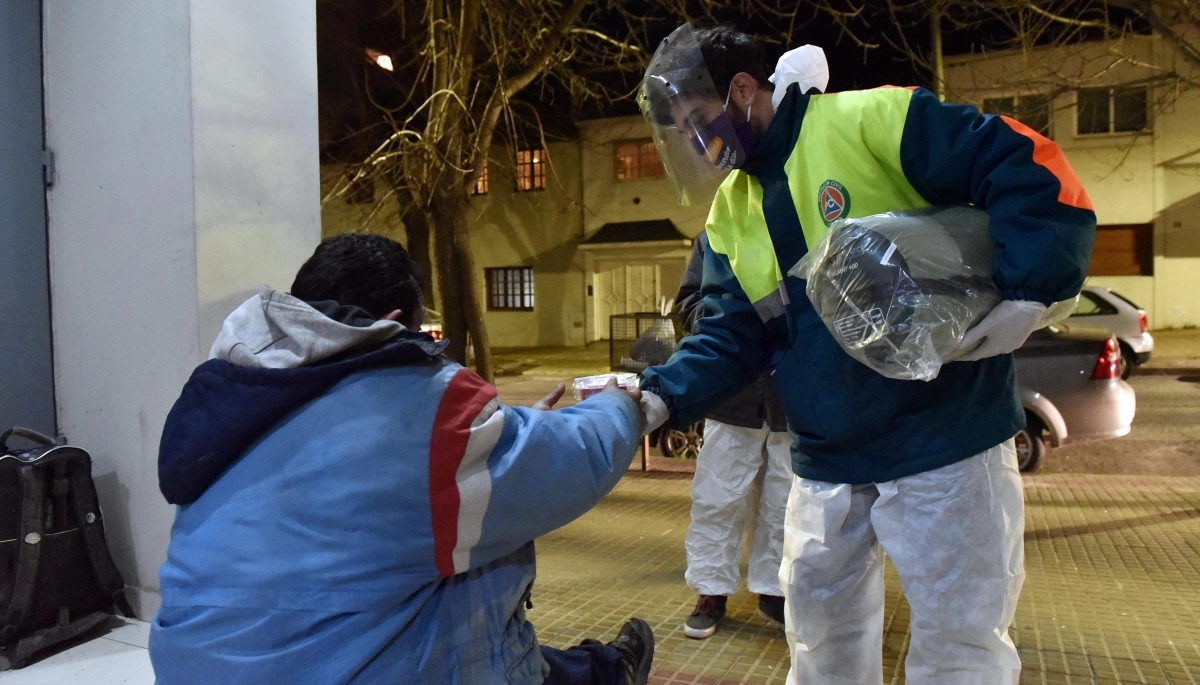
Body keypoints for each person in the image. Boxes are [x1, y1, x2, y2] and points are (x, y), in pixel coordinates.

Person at [637, 25, 1095, 684]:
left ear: (743, 90)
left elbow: (1026, 161)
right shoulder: (731, 218)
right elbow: (728, 336)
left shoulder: (867, 120)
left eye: (698, 121)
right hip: (826, 455)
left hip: (944, 437)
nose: (697, 143)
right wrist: (662, 394)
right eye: (682, 132)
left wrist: (1032, 285)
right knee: (821, 646)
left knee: (960, 645)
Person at [149, 234, 656, 685]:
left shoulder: (239, 396)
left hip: (190, 664)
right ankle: (608, 672)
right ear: (394, 324)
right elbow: (570, 462)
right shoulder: (411, 403)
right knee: (475, 578)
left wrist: (497, 439)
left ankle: (594, 668)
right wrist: (617, 407)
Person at [674, 232, 790, 639]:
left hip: (793, 391)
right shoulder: (718, 231)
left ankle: (774, 590)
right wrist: (728, 321)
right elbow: (688, 301)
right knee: (717, 497)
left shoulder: (799, 214)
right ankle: (711, 590)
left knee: (785, 501)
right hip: (732, 391)